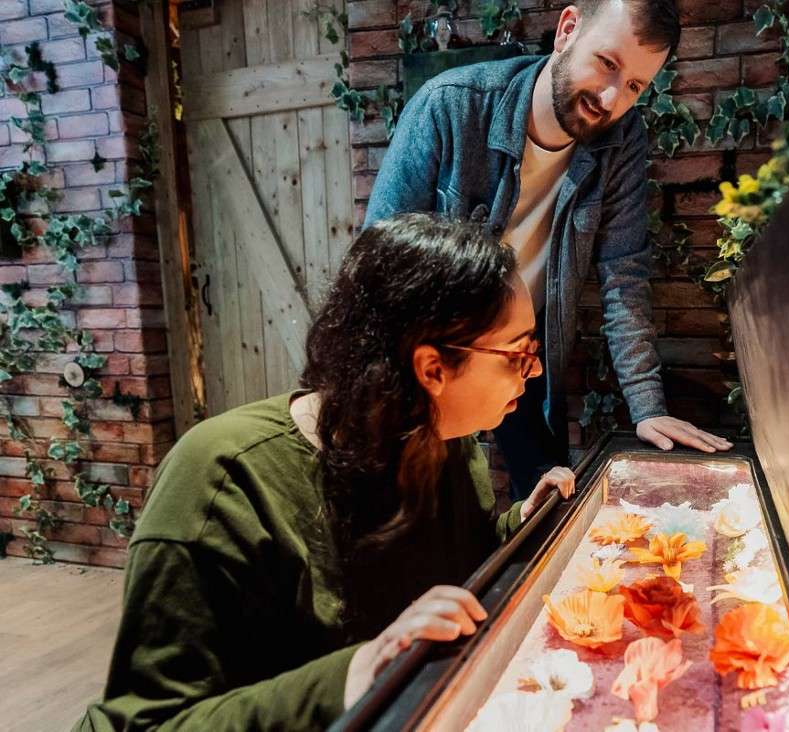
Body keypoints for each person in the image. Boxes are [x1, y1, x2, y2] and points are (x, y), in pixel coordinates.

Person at [76, 214, 576, 730]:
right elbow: (149, 722)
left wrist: (520, 526)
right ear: (432, 369)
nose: (534, 371)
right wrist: (357, 673)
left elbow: (454, 560)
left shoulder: (444, 441)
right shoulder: (223, 481)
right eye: (518, 354)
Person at [365, 0, 733, 501]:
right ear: (567, 29)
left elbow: (623, 273)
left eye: (634, 87)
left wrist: (647, 408)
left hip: (525, 346)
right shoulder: (451, 104)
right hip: (432, 352)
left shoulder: (621, 139)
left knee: (545, 498)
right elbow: (379, 264)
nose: (610, 99)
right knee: (416, 500)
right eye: (608, 63)